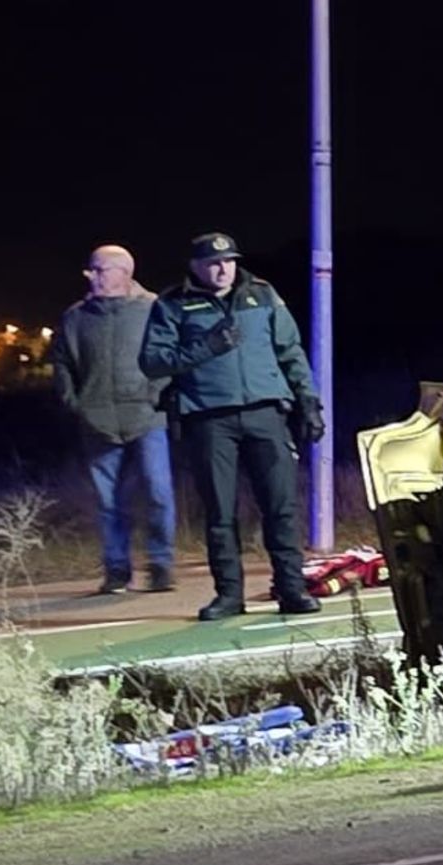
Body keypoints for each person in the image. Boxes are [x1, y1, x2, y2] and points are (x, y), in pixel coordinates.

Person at [139, 232, 325, 621]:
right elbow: (153, 361)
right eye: (212, 262)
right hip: (208, 417)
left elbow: (290, 350)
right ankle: (229, 594)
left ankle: (291, 589)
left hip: (265, 412)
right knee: (220, 512)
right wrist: (205, 347)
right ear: (195, 266)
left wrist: (308, 401)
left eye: (229, 261)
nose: (223, 269)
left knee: (281, 506)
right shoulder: (173, 303)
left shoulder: (262, 294)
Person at [50, 244, 177, 595]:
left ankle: (161, 564)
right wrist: (74, 401)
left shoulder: (152, 309)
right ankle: (117, 569)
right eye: (92, 269)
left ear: (124, 272)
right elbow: (61, 363)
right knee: (109, 501)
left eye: (99, 269)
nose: (91, 276)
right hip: (98, 419)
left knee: (158, 491)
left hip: (147, 416)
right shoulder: (76, 317)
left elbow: (168, 355)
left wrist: (157, 393)